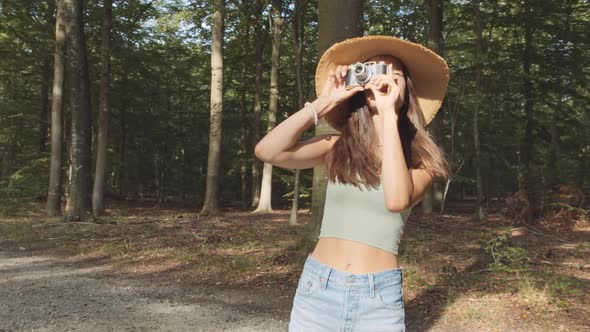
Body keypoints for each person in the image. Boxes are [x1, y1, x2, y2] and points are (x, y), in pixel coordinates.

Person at [254, 35, 450, 331]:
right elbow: (267, 151)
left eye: (391, 74)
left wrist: (387, 113)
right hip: (319, 288)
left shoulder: (422, 162)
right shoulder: (336, 145)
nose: (380, 80)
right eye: (372, 71)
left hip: (379, 298)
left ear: (405, 91)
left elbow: (396, 200)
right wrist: (324, 102)